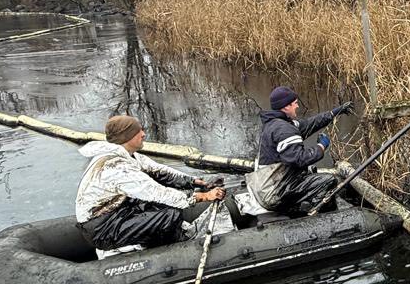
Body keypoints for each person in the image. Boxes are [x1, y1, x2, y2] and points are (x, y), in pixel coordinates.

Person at [75, 114, 228, 253]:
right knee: (170, 215)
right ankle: (171, 250)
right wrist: (202, 197)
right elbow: (157, 193)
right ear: (127, 137)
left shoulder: (128, 156)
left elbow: (159, 171)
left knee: (163, 202)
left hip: (117, 213)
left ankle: (161, 239)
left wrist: (195, 182)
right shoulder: (116, 168)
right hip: (103, 229)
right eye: (138, 132)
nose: (143, 134)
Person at [248, 86, 353, 215]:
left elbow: (310, 124)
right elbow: (301, 159)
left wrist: (335, 112)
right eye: (295, 103)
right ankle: (308, 214)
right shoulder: (283, 130)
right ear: (286, 107)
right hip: (272, 193)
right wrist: (321, 146)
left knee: (310, 171)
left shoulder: (276, 123)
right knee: (328, 181)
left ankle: (299, 206)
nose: (297, 106)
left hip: (265, 187)